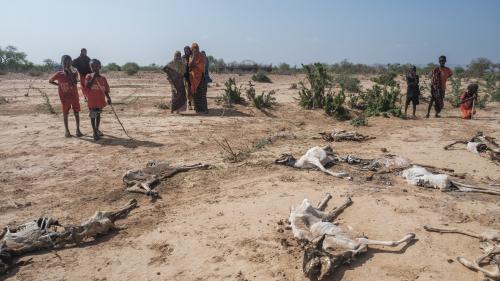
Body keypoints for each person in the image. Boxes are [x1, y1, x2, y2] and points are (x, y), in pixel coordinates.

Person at [49, 55, 83, 138]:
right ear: (62, 63)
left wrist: (70, 73)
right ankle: (67, 131)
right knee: (65, 114)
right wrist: (59, 85)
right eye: (65, 62)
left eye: (69, 62)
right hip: (64, 98)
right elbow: (50, 81)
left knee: (76, 113)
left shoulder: (75, 73)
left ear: (71, 63)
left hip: (74, 96)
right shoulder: (59, 74)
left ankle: (78, 130)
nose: (67, 64)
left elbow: (75, 83)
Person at [85, 59, 112, 141]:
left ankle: (97, 129)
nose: (94, 68)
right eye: (92, 66)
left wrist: (108, 98)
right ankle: (94, 132)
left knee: (98, 115)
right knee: (93, 116)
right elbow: (88, 86)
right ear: (90, 67)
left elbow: (106, 90)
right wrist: (93, 77)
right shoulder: (88, 76)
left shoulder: (103, 78)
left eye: (96, 66)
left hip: (100, 101)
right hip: (92, 101)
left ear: (99, 67)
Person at [189, 43, 207, 114]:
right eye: (194, 48)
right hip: (193, 78)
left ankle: (204, 109)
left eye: (196, 48)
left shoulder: (201, 56)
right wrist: (193, 56)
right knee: (195, 93)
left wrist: (195, 66)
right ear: (192, 49)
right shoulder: (191, 56)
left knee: (202, 94)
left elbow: (202, 66)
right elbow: (190, 65)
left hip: (201, 78)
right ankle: (197, 109)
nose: (195, 49)